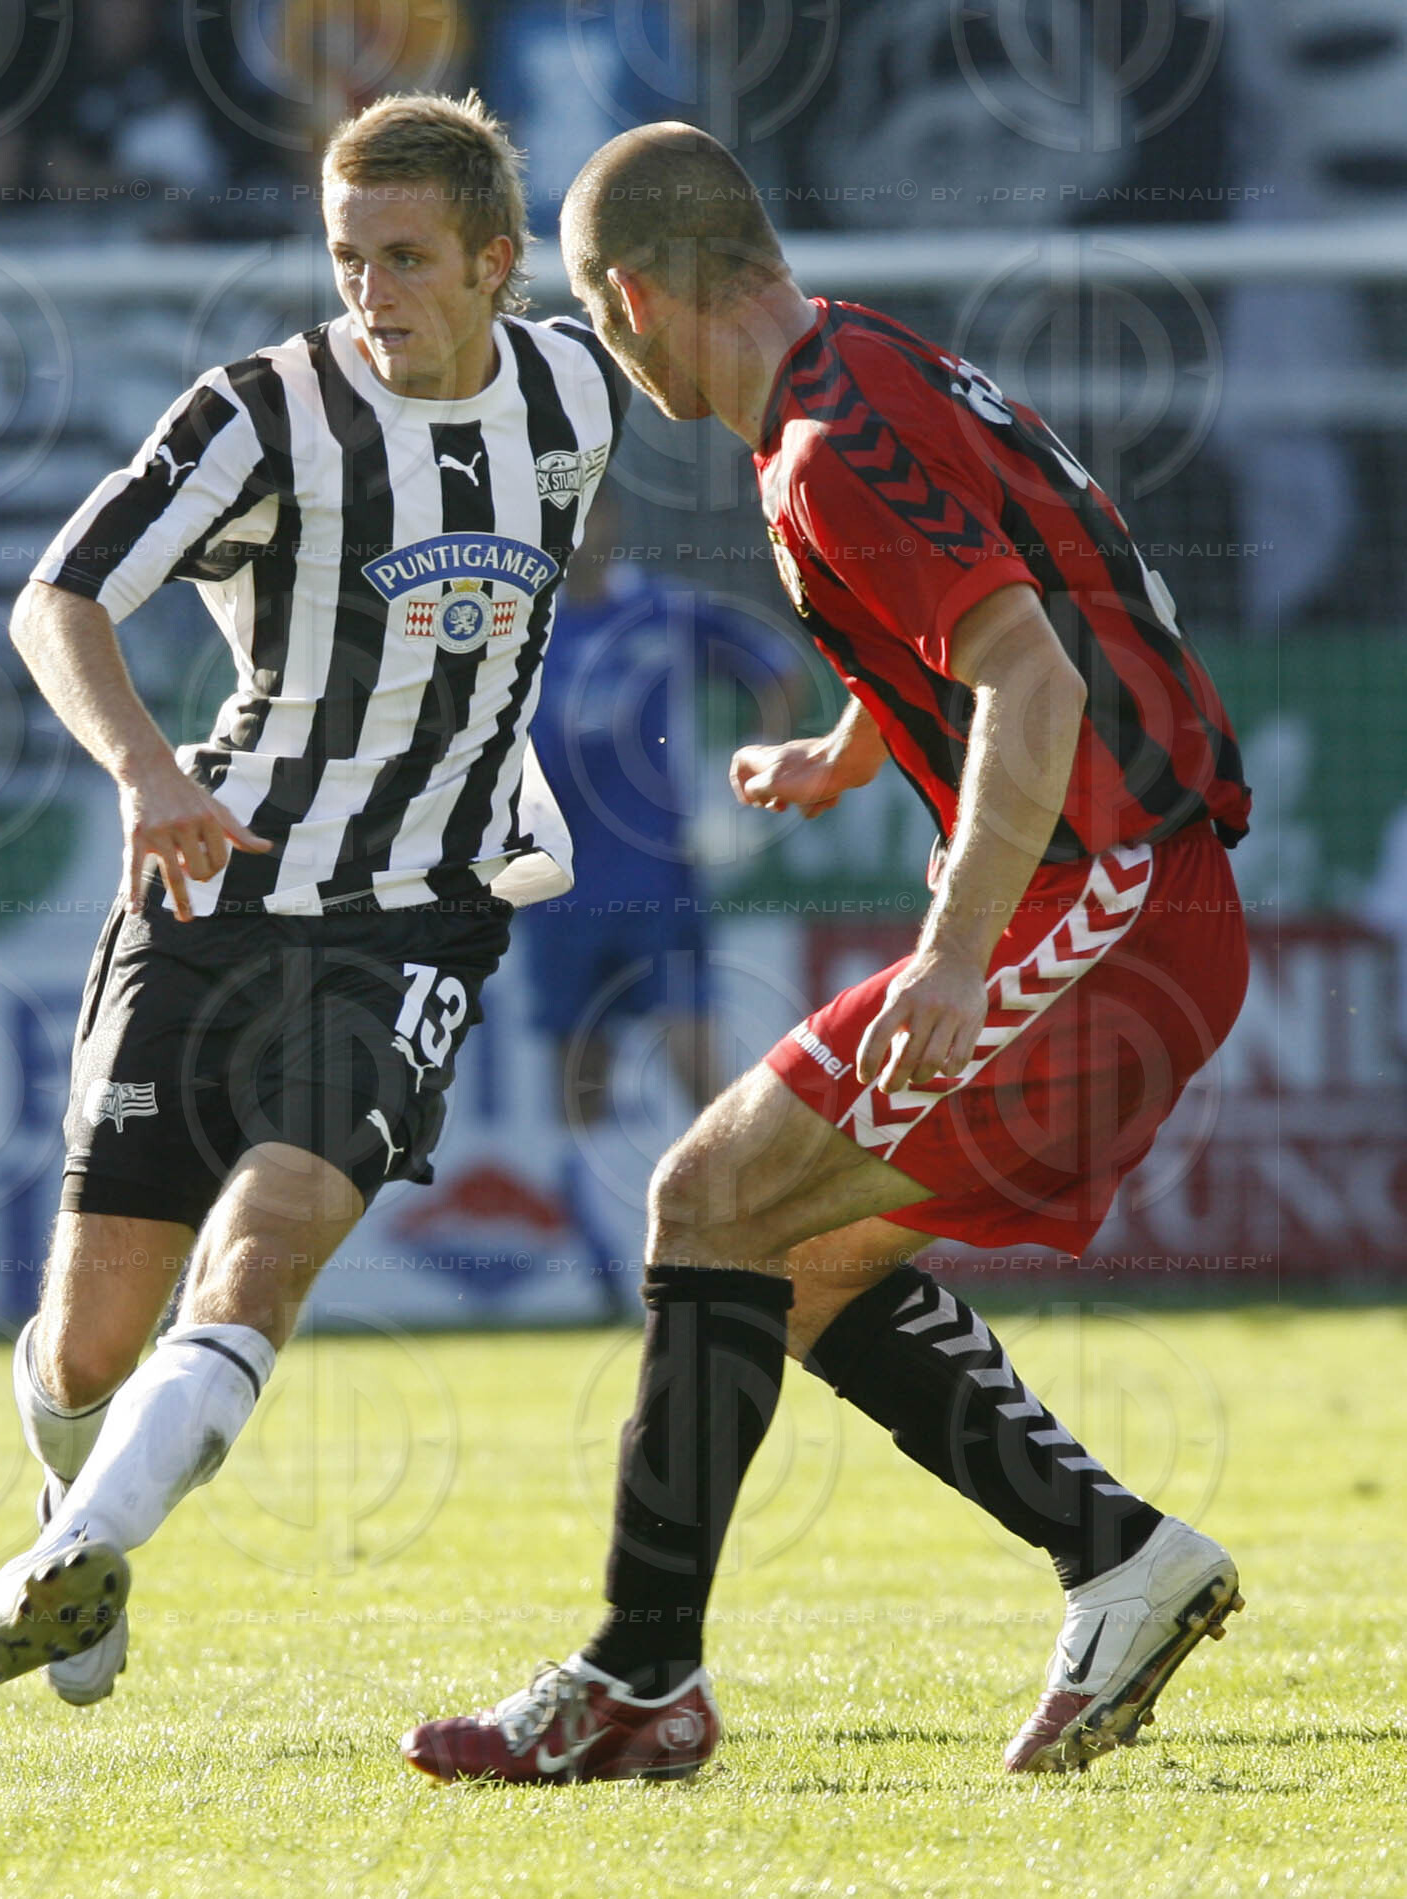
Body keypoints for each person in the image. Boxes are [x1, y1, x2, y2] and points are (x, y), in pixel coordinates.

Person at [402, 122, 1253, 1786]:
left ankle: (643, 1673)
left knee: (709, 1201)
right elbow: (1002, 587)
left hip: (1108, 896)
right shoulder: (862, 357)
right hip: (1124, 890)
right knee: (765, 1247)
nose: (611, 342)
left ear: (635, 293)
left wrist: (948, 955)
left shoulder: (814, 455)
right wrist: (856, 750)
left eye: (597, 309)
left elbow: (1034, 681)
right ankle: (1110, 1556)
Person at [0, 91, 624, 1707]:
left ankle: (69, 1554)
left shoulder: (581, 393)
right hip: (217, 886)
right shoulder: (260, 414)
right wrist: (144, 766)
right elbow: (59, 596)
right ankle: (73, 1503)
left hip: (414, 917)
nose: (370, 293)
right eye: (344, 257)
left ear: (497, 263)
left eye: (406, 259)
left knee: (268, 1248)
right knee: (91, 1340)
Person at [523, 479, 802, 1140]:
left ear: (613, 519)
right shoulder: (518, 626)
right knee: (577, 1079)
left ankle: (739, 1214)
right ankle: (592, 1233)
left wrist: (755, 776)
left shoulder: (663, 611)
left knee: (694, 1059)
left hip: (657, 877)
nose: (575, 535)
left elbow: (777, 670)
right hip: (556, 885)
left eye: (587, 516)